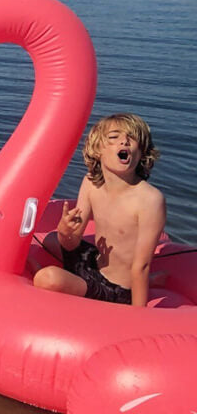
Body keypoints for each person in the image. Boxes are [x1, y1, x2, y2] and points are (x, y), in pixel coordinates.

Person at [33, 113, 165, 307]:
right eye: (114, 137)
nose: (125, 142)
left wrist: (139, 317)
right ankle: (76, 275)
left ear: (142, 152)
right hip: (94, 263)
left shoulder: (149, 200)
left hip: (115, 288)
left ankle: (148, 283)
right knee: (52, 238)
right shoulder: (91, 183)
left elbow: (141, 266)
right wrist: (65, 231)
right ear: (97, 149)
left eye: (133, 138)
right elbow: (71, 243)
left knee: (47, 278)